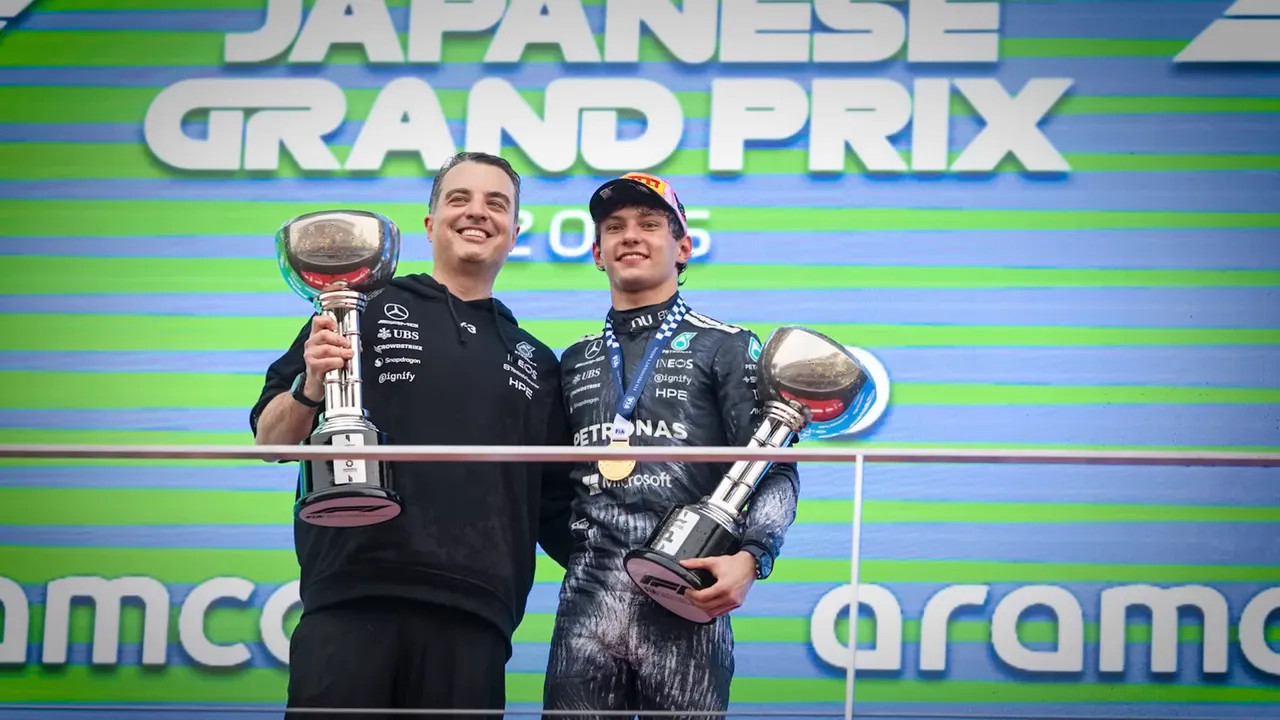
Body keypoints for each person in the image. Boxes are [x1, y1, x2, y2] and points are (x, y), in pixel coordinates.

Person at [250, 151, 574, 718]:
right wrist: (310, 386)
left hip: (475, 617)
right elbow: (271, 441)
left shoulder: (538, 361)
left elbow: (554, 511)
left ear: (515, 232)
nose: (477, 212)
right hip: (351, 595)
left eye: (496, 203)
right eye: (459, 198)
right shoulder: (358, 304)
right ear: (429, 225)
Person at [542, 172, 800, 718]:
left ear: (683, 246)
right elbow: (548, 489)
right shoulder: (573, 360)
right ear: (596, 252)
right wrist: (588, 559)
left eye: (650, 224)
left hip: (687, 599)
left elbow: (773, 467)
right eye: (615, 227)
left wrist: (752, 559)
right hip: (587, 607)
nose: (630, 236)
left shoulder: (727, 345)